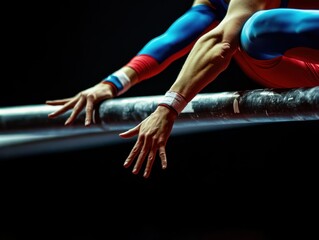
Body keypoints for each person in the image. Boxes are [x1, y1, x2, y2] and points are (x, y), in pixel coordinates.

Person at [46, 0, 319, 178]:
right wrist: (113, 83)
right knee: (250, 32)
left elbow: (220, 43)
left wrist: (168, 108)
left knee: (256, 28)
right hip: (306, 67)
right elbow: (180, 34)